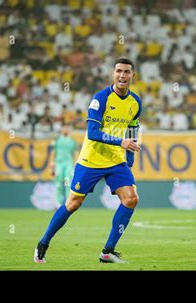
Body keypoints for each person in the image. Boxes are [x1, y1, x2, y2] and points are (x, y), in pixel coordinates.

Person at [34, 58, 142, 264]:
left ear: (132, 76)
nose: (122, 75)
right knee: (73, 204)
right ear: (113, 74)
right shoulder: (100, 99)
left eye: (126, 72)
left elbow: (133, 126)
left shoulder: (135, 102)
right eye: (118, 71)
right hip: (90, 161)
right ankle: (43, 243)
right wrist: (122, 142)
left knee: (131, 198)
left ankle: (108, 251)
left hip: (116, 161)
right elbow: (92, 132)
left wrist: (130, 154)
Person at [50, 124, 78, 206]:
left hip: (68, 164)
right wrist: (51, 162)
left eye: (67, 128)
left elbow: (75, 152)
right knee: (58, 183)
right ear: (62, 129)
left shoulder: (72, 141)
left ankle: (67, 203)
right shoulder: (57, 140)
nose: (66, 129)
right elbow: (53, 151)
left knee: (67, 183)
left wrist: (76, 162)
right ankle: (58, 203)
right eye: (64, 128)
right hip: (58, 163)